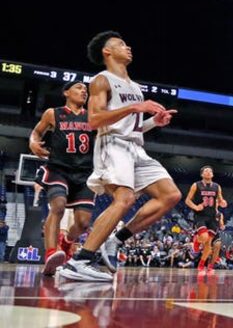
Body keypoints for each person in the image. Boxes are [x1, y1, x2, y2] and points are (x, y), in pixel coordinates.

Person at [61, 31, 180, 282]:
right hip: (112, 144)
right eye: (121, 44)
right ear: (107, 52)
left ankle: (116, 240)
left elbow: (132, 125)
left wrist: (153, 122)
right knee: (124, 198)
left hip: (135, 146)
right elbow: (94, 120)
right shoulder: (101, 80)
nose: (128, 47)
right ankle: (79, 260)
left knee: (170, 195)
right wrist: (136, 107)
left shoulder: (135, 87)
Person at [29, 81, 96, 276]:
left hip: (85, 173)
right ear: (66, 92)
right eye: (78, 87)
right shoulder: (53, 113)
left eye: (86, 89)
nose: (84, 90)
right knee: (57, 206)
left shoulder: (92, 116)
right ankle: (51, 252)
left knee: (83, 223)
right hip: (59, 168)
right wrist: (33, 142)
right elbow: (37, 132)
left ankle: (67, 243)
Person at [185, 165, 227, 275]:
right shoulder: (196, 185)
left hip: (212, 217)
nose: (208, 172)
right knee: (204, 237)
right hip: (200, 215)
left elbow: (221, 199)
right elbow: (187, 200)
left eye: (210, 171)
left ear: (212, 174)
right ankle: (196, 241)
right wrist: (195, 207)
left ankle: (201, 264)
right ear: (202, 174)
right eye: (206, 171)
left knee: (209, 243)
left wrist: (223, 202)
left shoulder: (217, 186)